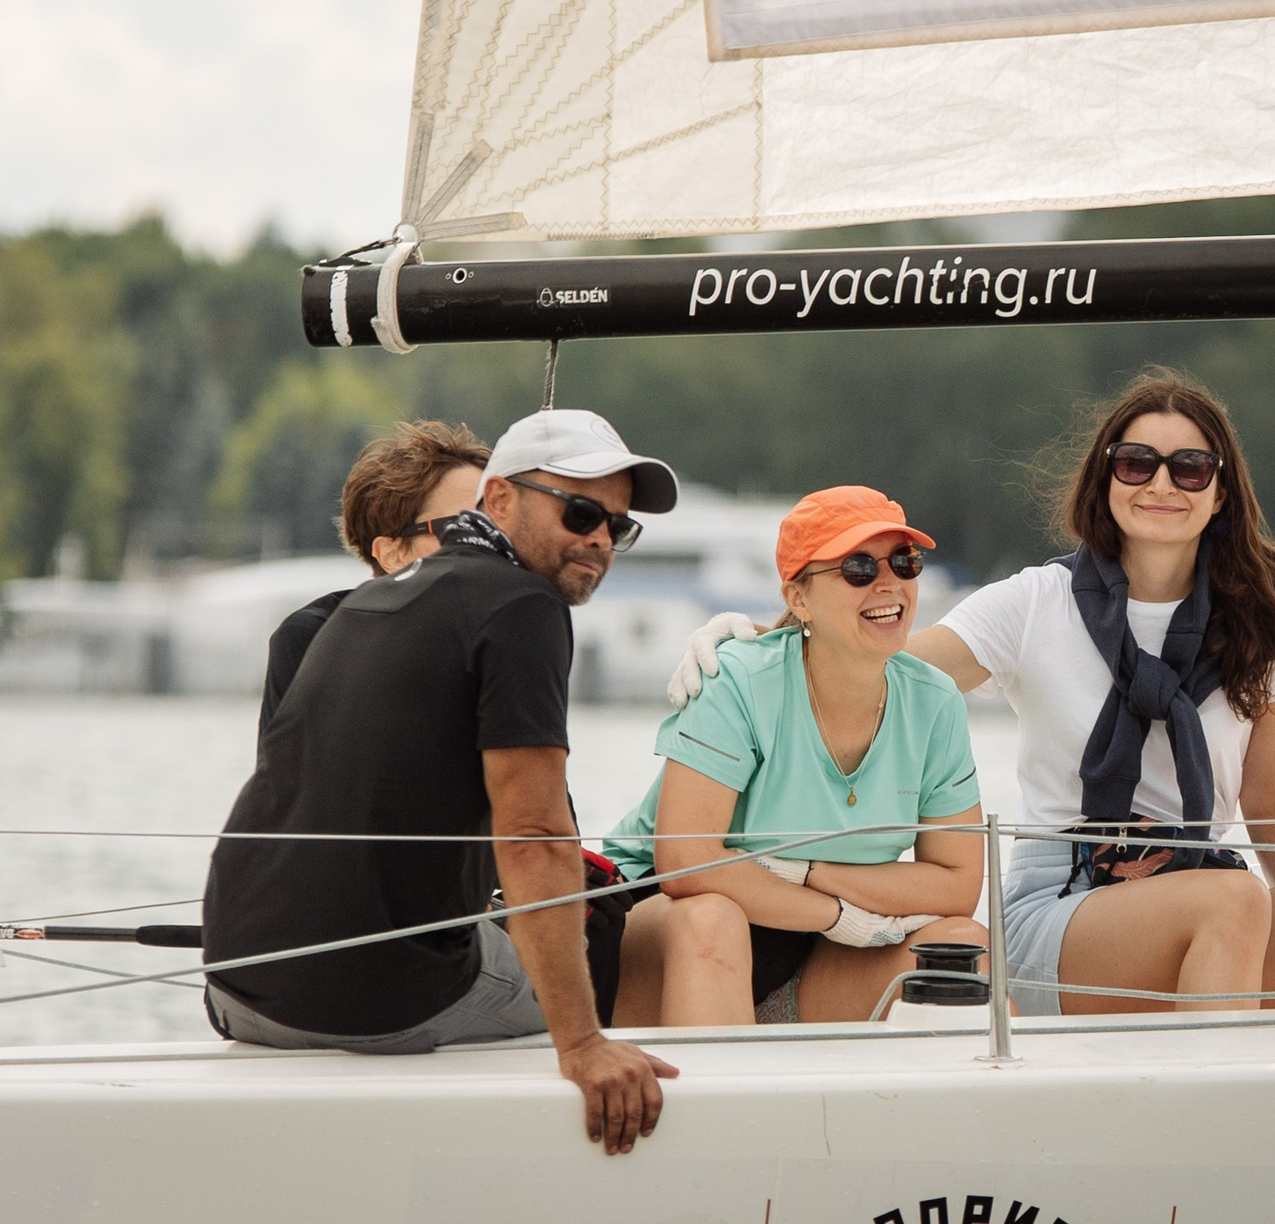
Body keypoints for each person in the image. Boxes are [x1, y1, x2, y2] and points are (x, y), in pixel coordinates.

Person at [673, 372, 1275, 1011]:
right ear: (1104, 477)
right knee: (1232, 899)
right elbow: (878, 661)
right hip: (1062, 904)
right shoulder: (1035, 604)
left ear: (1220, 492)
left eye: (1188, 468)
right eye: (1135, 463)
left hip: (1208, 891)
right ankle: (1201, 1126)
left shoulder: (1267, 628)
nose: (1159, 484)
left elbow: (1272, 800)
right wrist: (761, 634)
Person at [201, 408, 684, 1153]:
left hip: (231, 985)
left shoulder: (360, 604)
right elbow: (533, 836)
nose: (597, 538)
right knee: (608, 960)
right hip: (378, 1003)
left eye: (617, 527)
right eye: (580, 510)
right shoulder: (524, 605)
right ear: (498, 502)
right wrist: (583, 1043)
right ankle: (654, 1121)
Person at [602, 487, 987, 1026]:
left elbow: (955, 886)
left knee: (962, 948)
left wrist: (804, 871)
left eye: (905, 562)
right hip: (659, 927)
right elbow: (686, 863)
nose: (889, 582)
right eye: (857, 567)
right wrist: (833, 913)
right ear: (799, 599)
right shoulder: (736, 678)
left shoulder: (936, 699)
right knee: (713, 918)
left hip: (810, 947)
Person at [261, 420, 489, 730]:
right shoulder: (312, 638)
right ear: (391, 554)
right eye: (462, 527)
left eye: (495, 526)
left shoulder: (511, 631)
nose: (487, 541)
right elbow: (287, 775)